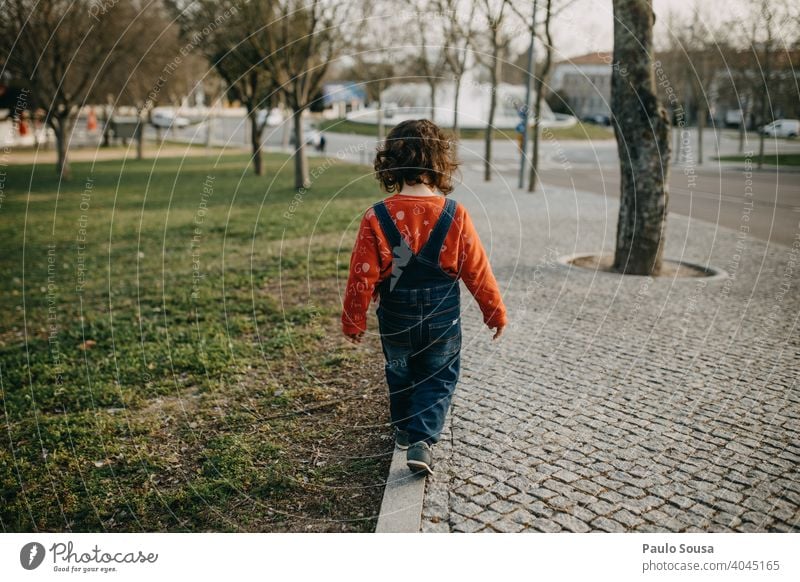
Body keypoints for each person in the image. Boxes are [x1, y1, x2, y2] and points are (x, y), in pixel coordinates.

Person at [341, 119, 507, 476]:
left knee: (399, 369)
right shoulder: (455, 214)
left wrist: (353, 320)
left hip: (395, 313)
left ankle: (403, 427)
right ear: (440, 164)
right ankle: (422, 440)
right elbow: (477, 270)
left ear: (390, 165)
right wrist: (494, 312)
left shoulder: (376, 215)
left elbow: (361, 275)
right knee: (440, 374)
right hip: (442, 315)